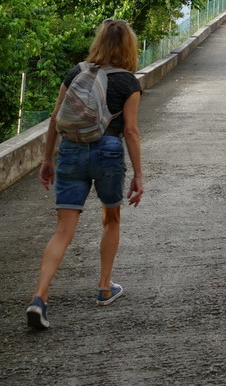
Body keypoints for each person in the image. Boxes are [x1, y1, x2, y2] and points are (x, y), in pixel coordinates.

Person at [27, 19, 144, 330]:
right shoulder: (129, 82)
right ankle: (105, 288)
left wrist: (46, 158)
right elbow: (130, 131)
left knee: (63, 230)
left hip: (71, 150)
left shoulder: (77, 71)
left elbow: (56, 116)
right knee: (111, 218)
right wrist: (139, 175)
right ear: (129, 46)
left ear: (99, 42)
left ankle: (40, 298)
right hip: (108, 151)